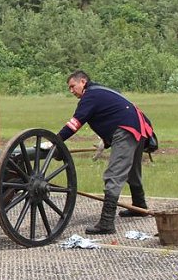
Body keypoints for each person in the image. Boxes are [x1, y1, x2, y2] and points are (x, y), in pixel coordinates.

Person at [58, 71, 154, 235]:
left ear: (83, 81)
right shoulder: (99, 91)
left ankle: (107, 222)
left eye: (72, 86)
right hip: (137, 127)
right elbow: (112, 113)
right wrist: (107, 140)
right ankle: (139, 206)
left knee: (114, 174)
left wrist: (56, 141)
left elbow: (75, 124)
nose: (72, 91)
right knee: (132, 170)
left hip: (127, 130)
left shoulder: (90, 96)